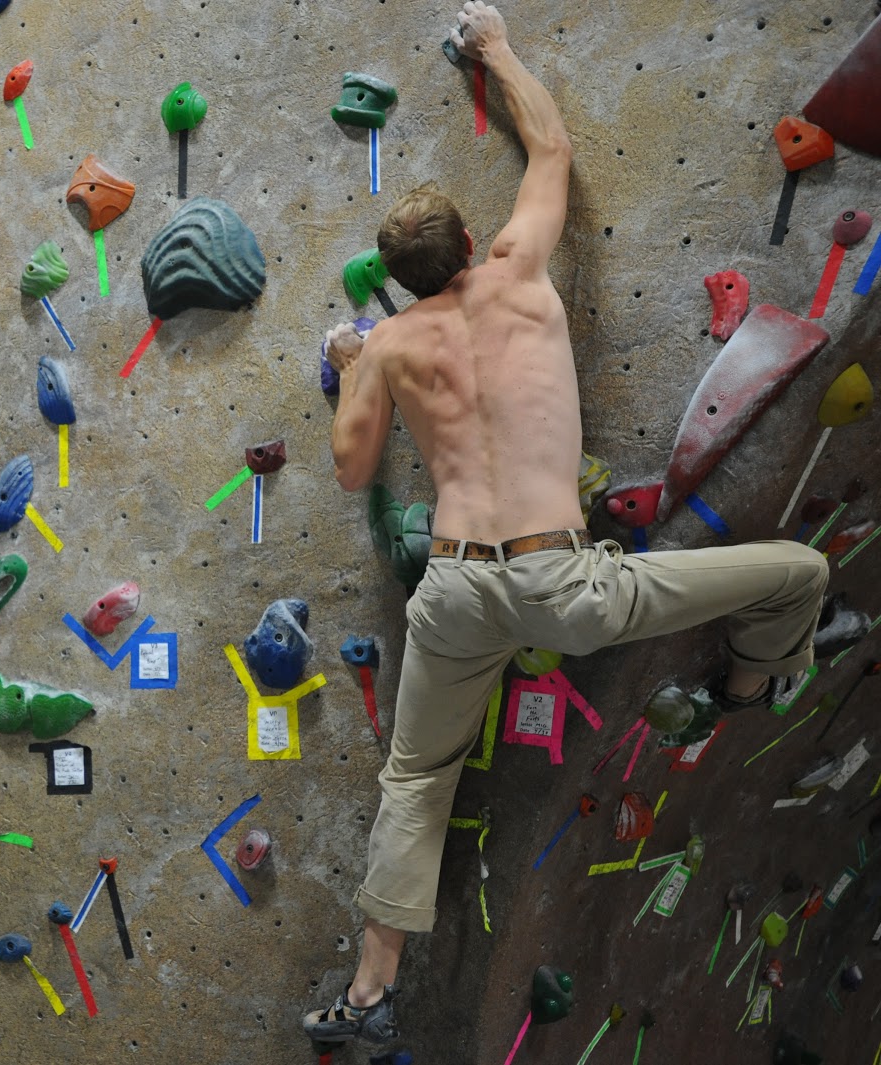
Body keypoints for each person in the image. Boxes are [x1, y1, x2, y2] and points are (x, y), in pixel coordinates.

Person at [302, 1, 830, 1045]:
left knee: (416, 778)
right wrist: (491, 47)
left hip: (453, 590)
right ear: (469, 241)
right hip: (562, 585)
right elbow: (551, 145)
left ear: (396, 282)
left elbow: (353, 464)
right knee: (798, 573)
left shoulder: (393, 346)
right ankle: (749, 686)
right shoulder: (519, 274)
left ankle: (368, 996)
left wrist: (355, 367)